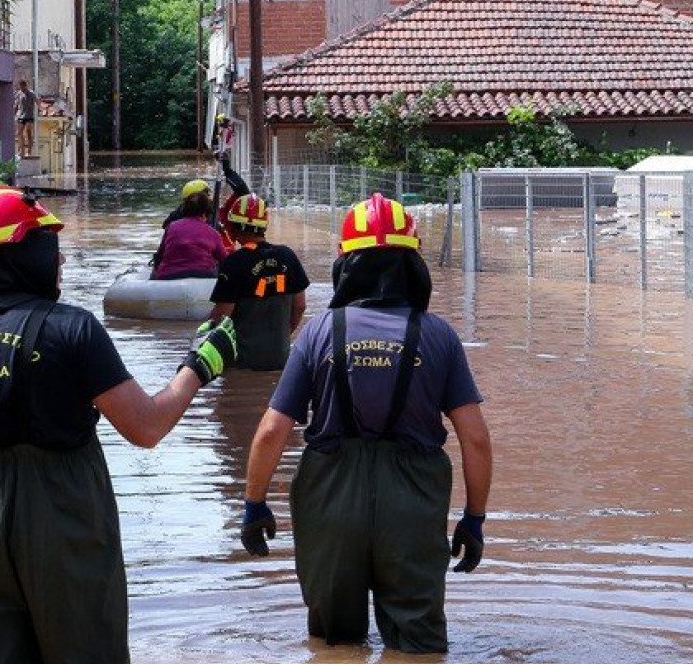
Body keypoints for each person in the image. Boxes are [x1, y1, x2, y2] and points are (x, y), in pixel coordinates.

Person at [0, 185, 236, 663]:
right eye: (49, 249)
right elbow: (146, 427)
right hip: (64, 517)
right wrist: (198, 367)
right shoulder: (72, 329)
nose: (59, 263)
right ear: (21, 254)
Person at [237, 193, 493, 654]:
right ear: (413, 262)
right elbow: (475, 439)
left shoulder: (318, 332)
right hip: (412, 504)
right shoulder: (438, 336)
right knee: (420, 644)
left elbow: (273, 430)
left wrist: (255, 503)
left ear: (344, 261)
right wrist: (474, 519)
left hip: (330, 498)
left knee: (333, 643)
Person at [207, 195, 310, 370]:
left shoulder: (233, 262)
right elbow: (300, 306)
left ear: (234, 227)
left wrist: (203, 337)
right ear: (264, 225)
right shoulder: (288, 256)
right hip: (281, 360)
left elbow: (220, 317)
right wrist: (282, 338)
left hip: (241, 363)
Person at [150, 183, 226, 280]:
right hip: (203, 275)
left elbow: (160, 255)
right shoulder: (213, 233)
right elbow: (224, 260)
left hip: (169, 274)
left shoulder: (171, 227)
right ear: (204, 214)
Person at [13, 81, 36, 158]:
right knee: (19, 133)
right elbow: (16, 104)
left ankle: (29, 151)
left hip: (29, 116)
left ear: (25, 86)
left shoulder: (31, 93)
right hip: (21, 116)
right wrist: (14, 113)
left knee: (28, 132)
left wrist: (40, 108)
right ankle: (21, 150)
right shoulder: (19, 93)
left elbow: (37, 101)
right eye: (20, 87)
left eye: (23, 86)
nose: (22, 88)